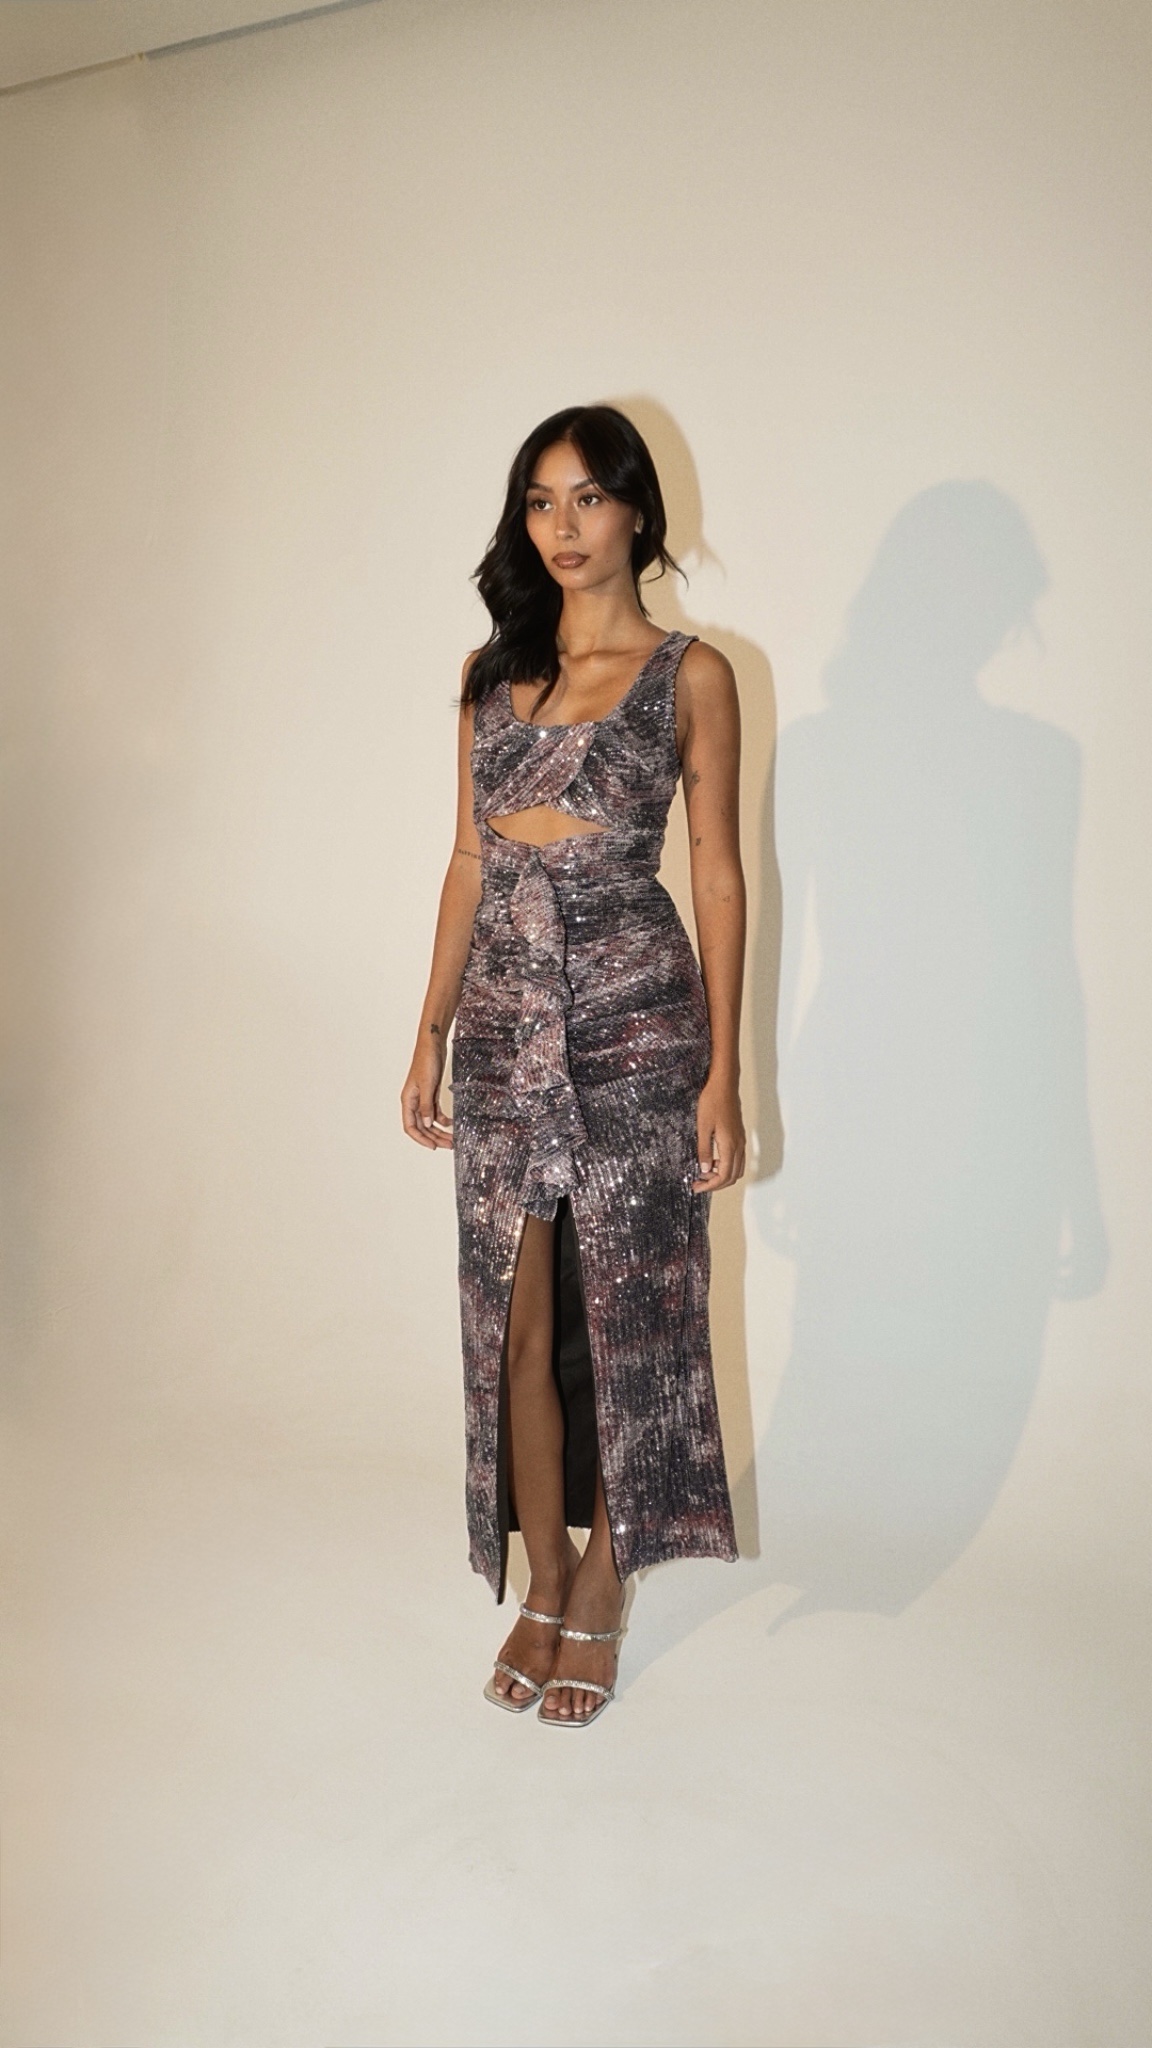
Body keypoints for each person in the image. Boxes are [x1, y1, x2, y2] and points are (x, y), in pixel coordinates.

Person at [400, 404, 746, 1726]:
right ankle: (543, 1579)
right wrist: (431, 1029)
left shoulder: (690, 676)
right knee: (514, 1316)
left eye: (589, 498)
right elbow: (468, 862)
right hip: (503, 1024)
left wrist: (722, 1074)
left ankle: (604, 1584)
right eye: (540, 501)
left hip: (635, 1020)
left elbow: (717, 873)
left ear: (638, 512)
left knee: (632, 1306)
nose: (563, 526)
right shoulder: (491, 677)